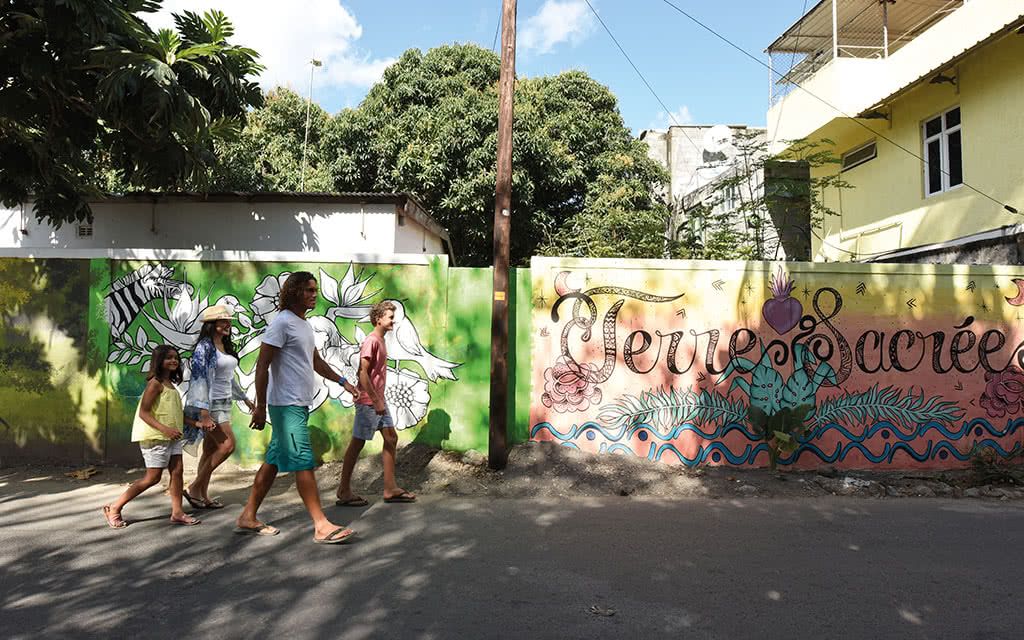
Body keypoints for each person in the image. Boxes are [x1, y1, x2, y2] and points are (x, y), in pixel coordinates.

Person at [236, 271, 360, 544]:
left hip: (298, 404)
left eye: (314, 290)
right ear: (293, 292)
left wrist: (343, 382)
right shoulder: (282, 323)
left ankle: (247, 516)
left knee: (272, 462)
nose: (313, 294)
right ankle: (321, 525)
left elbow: (314, 360)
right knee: (303, 461)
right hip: (286, 405)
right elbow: (262, 365)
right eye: (307, 290)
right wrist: (260, 406)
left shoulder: (303, 325)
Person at [102, 345, 201, 528]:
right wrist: (165, 430)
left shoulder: (171, 385)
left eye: (176, 358)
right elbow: (144, 413)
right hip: (155, 436)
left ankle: (177, 512)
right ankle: (115, 507)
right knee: (152, 478)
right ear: (158, 361)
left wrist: (196, 424)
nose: (174, 361)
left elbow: (176, 414)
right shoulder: (155, 383)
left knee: (177, 471)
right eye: (168, 358)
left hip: (172, 437)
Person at [335, 300, 416, 507]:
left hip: (378, 401)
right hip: (369, 402)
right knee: (357, 443)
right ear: (378, 319)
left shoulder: (381, 340)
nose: (393, 321)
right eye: (390, 317)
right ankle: (343, 490)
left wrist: (379, 400)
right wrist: (375, 400)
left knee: (391, 438)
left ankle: (390, 488)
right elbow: (362, 373)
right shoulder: (371, 341)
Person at [183, 304, 255, 509]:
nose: (227, 325)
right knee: (227, 445)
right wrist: (204, 414)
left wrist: (244, 398)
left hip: (224, 402)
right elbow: (199, 379)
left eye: (228, 321)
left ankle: (201, 495)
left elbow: (227, 378)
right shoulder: (204, 347)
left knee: (210, 450)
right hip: (210, 405)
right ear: (212, 325)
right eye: (223, 321)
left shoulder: (224, 346)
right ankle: (194, 487)